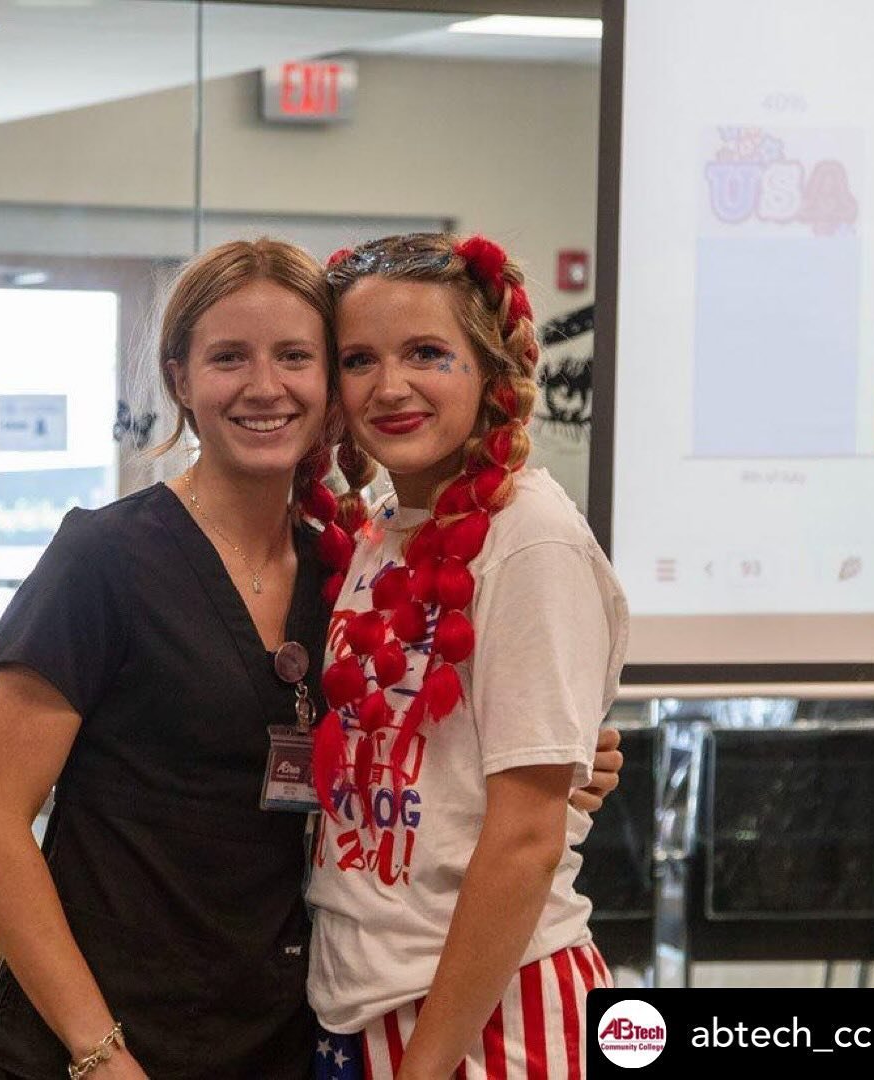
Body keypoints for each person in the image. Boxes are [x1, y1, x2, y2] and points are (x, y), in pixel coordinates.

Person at [0, 237, 624, 1080]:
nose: (265, 387)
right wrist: (99, 1058)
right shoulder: (111, 560)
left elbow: (449, 762)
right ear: (179, 379)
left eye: (298, 357)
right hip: (110, 1038)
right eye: (229, 357)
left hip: (289, 1034)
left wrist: (563, 761)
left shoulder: (340, 565)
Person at [304, 233, 630, 1079]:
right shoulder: (382, 529)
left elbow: (525, 839)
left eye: (427, 353)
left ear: (489, 371)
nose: (391, 386)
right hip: (364, 1000)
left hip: (489, 1017)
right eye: (359, 359)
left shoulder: (529, 541)